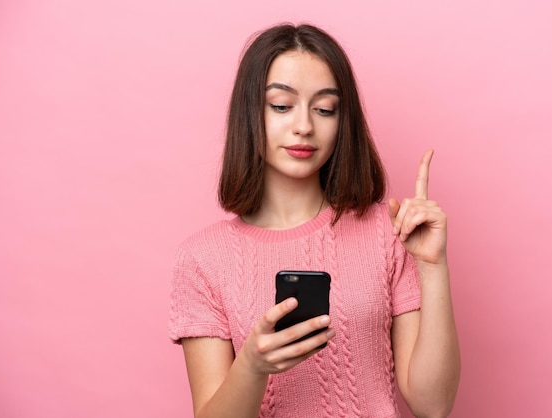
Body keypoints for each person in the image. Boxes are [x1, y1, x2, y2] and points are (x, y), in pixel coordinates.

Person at [168, 23, 460, 418]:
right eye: (282, 106)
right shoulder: (203, 259)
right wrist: (252, 365)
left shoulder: (387, 233)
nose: (304, 126)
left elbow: (433, 405)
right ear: (250, 113)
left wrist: (432, 266)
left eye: (325, 109)